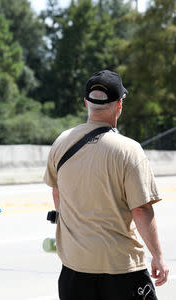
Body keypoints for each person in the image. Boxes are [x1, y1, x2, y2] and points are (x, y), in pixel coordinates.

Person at [43, 70, 169, 299]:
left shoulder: (61, 142)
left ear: (86, 103)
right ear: (119, 104)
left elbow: (57, 190)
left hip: (74, 268)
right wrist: (158, 256)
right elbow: (140, 209)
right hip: (121, 268)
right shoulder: (128, 150)